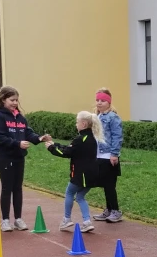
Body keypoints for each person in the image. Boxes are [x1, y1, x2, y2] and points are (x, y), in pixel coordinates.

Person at [0, 86, 50, 232]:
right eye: (12, 100)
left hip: (18, 157)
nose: (15, 103)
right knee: (7, 188)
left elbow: (28, 133)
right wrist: (17, 143)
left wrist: (39, 138)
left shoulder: (20, 118)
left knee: (17, 188)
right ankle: (5, 220)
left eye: (16, 100)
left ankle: (18, 219)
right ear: (3, 100)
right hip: (5, 157)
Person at [46, 111, 103, 232]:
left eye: (77, 122)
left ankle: (66, 219)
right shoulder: (92, 138)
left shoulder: (80, 139)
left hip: (80, 174)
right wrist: (55, 144)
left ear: (83, 123)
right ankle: (87, 221)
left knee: (69, 193)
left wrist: (51, 148)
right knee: (81, 196)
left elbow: (67, 152)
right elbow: (70, 148)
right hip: (93, 174)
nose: (76, 124)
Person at [92, 88, 123, 223]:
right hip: (99, 155)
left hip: (109, 156)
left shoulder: (113, 117)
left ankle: (115, 210)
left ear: (109, 102)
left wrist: (114, 154)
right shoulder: (97, 117)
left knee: (110, 185)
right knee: (105, 184)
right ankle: (109, 209)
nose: (99, 103)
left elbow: (117, 136)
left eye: (103, 101)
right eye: (98, 100)